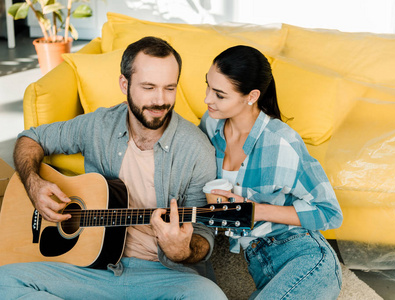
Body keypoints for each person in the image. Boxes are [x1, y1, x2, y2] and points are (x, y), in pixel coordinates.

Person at [0, 37, 227, 300]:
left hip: (161, 273)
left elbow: (203, 234)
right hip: (89, 269)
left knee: (210, 296)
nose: (160, 100)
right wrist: (33, 183)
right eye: (148, 87)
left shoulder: (197, 149)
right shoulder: (99, 125)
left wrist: (183, 251)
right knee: (6, 281)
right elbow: (31, 138)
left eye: (169, 88)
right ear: (124, 84)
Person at [199, 45, 344, 300]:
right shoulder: (211, 124)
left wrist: (253, 210)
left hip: (305, 255)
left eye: (219, 94)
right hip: (258, 259)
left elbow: (330, 213)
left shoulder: (281, 143)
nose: (207, 99)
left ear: (251, 96)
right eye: (208, 86)